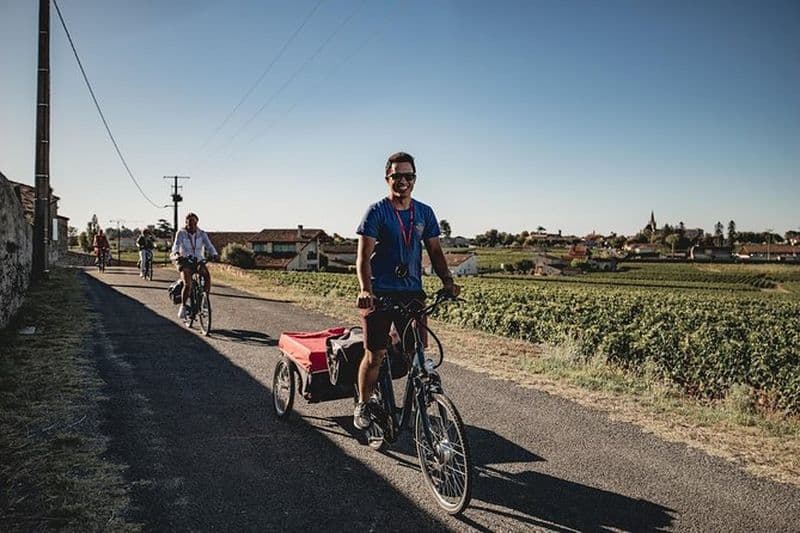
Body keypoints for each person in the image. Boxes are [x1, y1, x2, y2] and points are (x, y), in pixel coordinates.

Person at [353, 151, 460, 430]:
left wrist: (447, 281)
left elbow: (435, 252)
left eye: (408, 176)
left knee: (418, 353)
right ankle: (363, 404)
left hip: (412, 292)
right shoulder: (376, 212)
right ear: (387, 178)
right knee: (375, 354)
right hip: (379, 293)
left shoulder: (424, 212)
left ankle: (423, 396)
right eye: (396, 175)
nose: (402, 181)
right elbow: (363, 258)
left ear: (415, 179)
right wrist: (366, 290)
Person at [170, 212, 219, 319]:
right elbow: (176, 246)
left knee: (207, 276)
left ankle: (204, 300)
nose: (191, 224)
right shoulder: (181, 233)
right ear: (186, 222)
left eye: (193, 222)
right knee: (188, 284)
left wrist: (214, 254)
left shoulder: (201, 233)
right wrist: (177, 254)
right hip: (185, 261)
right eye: (189, 222)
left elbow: (209, 246)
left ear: (197, 222)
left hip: (198, 261)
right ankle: (183, 307)